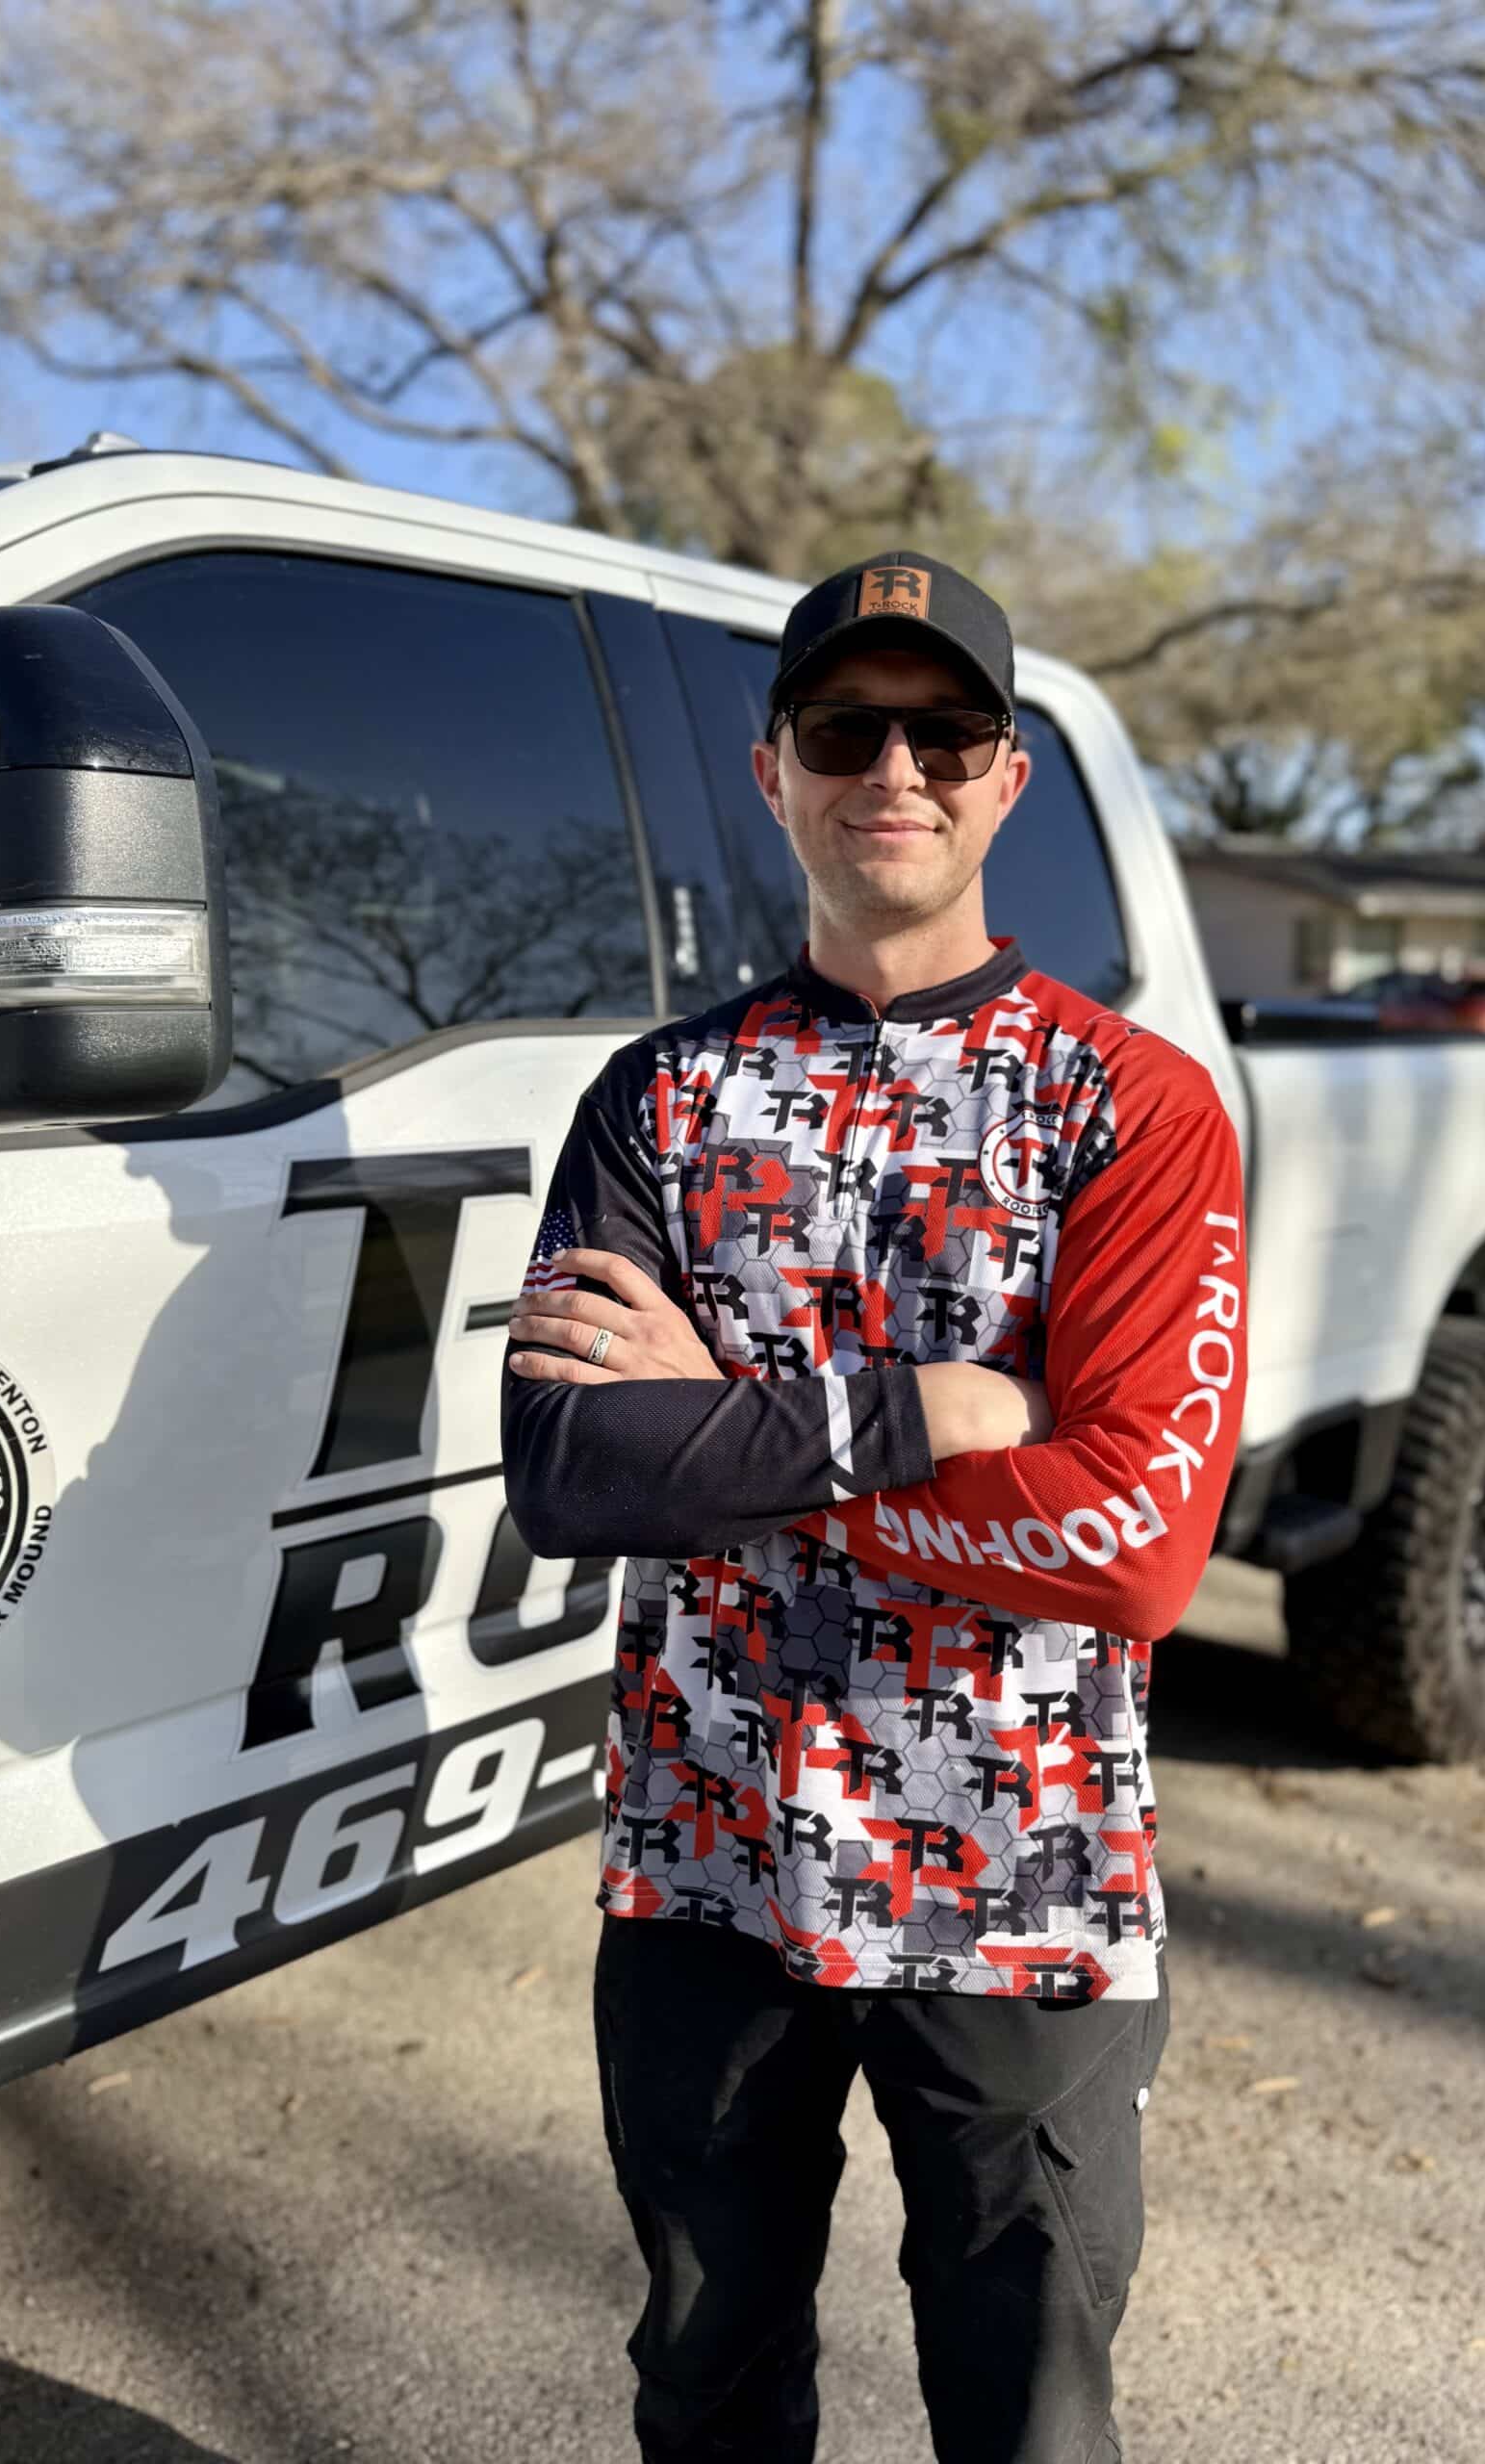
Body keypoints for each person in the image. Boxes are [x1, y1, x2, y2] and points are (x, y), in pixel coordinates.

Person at [500, 550, 1247, 2464]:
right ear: (776, 770)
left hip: (1023, 1879)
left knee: (1029, 2410)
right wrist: (932, 1407)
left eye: (947, 730)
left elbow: (1136, 1541)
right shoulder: (659, 1100)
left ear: (1007, 779)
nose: (893, 766)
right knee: (708, 2376)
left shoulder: (1128, 1103)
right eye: (847, 726)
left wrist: (737, 1446)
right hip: (704, 1855)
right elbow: (578, 1468)